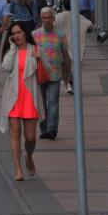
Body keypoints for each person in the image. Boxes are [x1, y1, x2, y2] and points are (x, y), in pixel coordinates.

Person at [0, 21, 48, 181]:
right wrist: (12, 49)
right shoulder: (11, 51)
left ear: (25, 33)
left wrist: (41, 58)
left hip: (29, 96)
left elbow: (48, 69)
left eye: (19, 32)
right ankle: (18, 169)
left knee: (31, 137)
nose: (16, 36)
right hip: (13, 96)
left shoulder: (34, 49)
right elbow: (5, 67)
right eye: (13, 34)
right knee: (14, 133)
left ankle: (28, 157)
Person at [33, 7, 71, 140]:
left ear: (53, 19)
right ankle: (44, 129)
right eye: (44, 18)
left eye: (49, 18)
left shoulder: (60, 35)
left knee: (53, 101)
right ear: (41, 19)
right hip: (39, 75)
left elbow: (65, 55)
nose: (47, 20)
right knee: (41, 103)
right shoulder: (34, 34)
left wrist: (69, 73)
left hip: (55, 74)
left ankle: (52, 129)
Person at [54, 0, 91, 93]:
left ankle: (66, 85)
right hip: (76, 45)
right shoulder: (78, 16)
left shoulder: (58, 17)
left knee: (64, 67)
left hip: (62, 46)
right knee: (74, 67)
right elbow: (89, 23)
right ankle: (72, 83)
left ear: (63, 5)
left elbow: (52, 27)